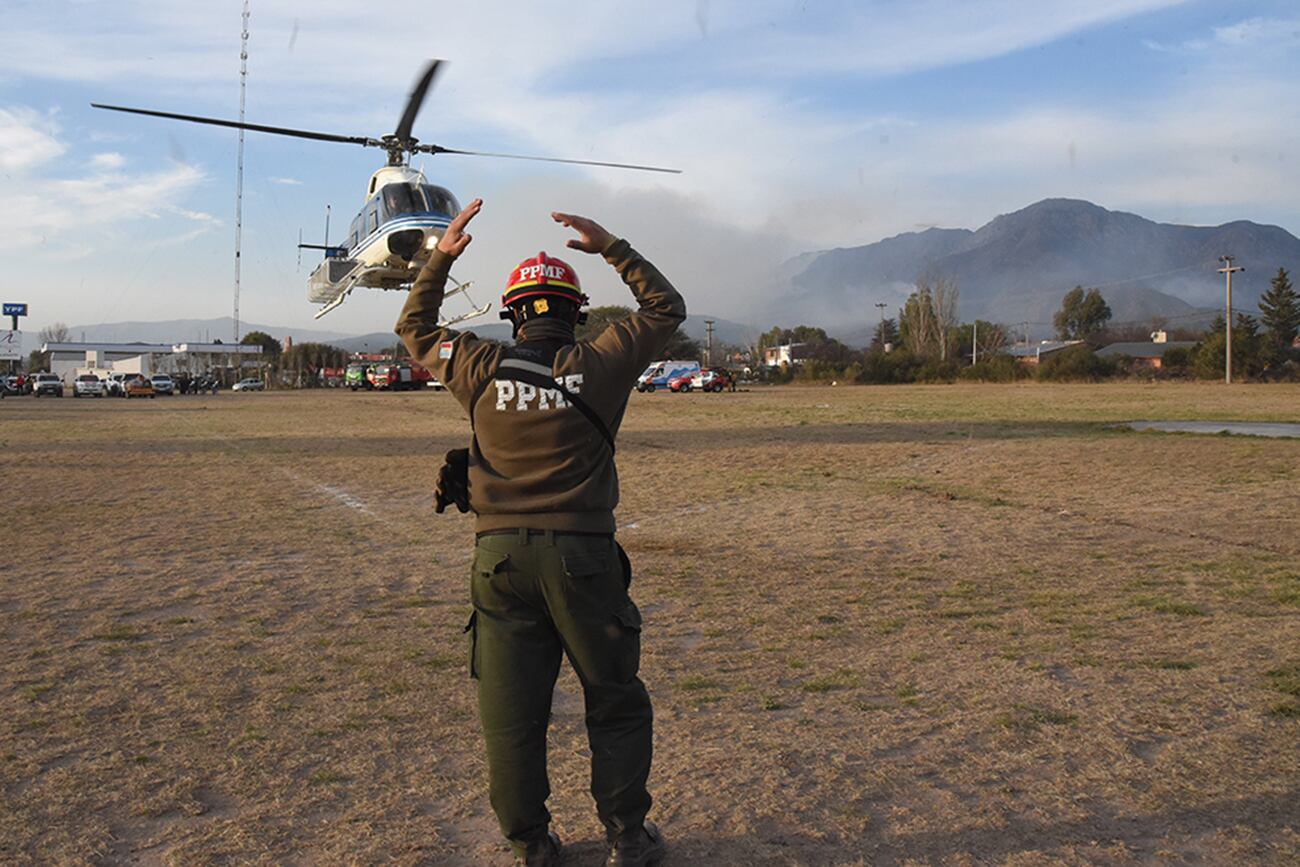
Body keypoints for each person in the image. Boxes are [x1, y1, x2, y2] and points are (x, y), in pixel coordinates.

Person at [395, 198, 684, 867]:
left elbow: (414, 327)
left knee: (512, 711)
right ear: (575, 312)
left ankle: (530, 843)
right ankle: (627, 838)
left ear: (513, 313)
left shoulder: (479, 366)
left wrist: (440, 258)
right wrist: (612, 245)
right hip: (584, 558)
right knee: (613, 699)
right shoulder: (602, 363)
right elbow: (665, 309)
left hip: (499, 562)